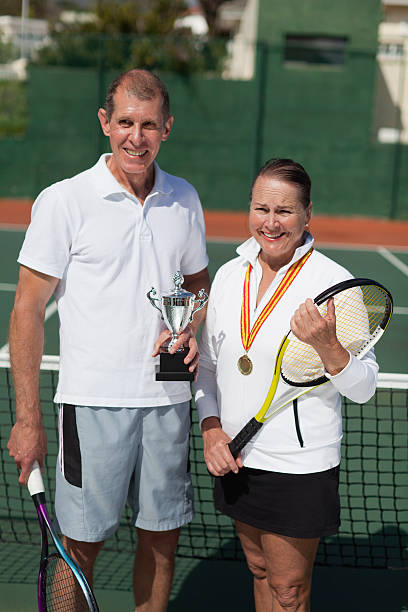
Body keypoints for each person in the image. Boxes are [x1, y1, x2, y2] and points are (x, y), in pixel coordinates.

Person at [7, 69, 210, 611]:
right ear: (105, 123)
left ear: (166, 128)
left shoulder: (184, 199)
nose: (135, 137)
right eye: (124, 123)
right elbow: (27, 311)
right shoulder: (64, 200)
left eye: (148, 125)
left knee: (162, 543)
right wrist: (28, 420)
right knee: (80, 549)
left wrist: (191, 321)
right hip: (91, 404)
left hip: (167, 402)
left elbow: (197, 285)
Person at [194, 158, 378, 611]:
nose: (270, 223)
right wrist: (211, 427)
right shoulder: (229, 275)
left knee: (289, 590)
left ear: (307, 214)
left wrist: (330, 348)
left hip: (299, 466)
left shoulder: (334, 283)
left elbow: (365, 388)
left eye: (284, 211)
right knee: (258, 570)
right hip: (235, 454)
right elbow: (211, 367)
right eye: (261, 209)